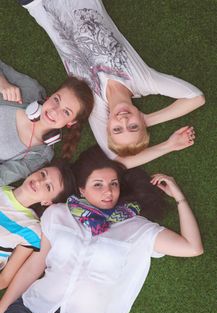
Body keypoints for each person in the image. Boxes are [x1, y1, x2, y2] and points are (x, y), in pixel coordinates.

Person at [0, 146, 203, 313]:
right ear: (82, 190)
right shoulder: (58, 214)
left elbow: (192, 247)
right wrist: (2, 308)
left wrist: (179, 197)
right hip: (31, 309)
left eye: (113, 184)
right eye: (98, 184)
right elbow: (34, 266)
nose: (108, 191)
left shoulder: (137, 228)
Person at [18, 0, 205, 168]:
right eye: (133, 126)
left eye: (117, 129)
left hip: (38, 5)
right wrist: (147, 119)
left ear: (107, 126)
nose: (124, 120)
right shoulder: (145, 81)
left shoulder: (94, 107)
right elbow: (196, 98)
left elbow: (117, 161)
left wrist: (168, 146)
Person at [0, 59, 94, 185]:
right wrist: (3, 82)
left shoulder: (40, 155)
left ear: (71, 122)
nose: (54, 111)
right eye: (56, 100)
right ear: (51, 95)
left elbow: (2, 176)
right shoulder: (30, 90)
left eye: (66, 112)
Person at [0, 159, 74, 290]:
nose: (39, 182)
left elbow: (5, 279)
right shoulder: (2, 185)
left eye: (48, 187)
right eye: (43, 174)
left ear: (47, 202)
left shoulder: (32, 230)